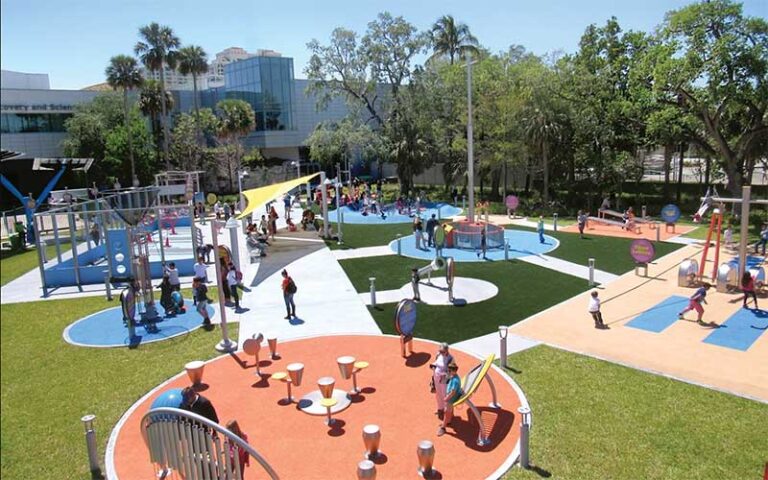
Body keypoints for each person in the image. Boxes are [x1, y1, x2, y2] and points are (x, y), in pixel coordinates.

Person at [430, 343, 454, 420]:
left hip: (444, 379)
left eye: (442, 351)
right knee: (438, 394)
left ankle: (448, 413)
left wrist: (443, 373)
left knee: (445, 396)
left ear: (447, 350)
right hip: (436, 378)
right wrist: (433, 365)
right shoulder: (438, 355)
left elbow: (451, 371)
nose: (441, 353)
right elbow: (436, 363)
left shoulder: (450, 359)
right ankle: (440, 409)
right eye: (440, 351)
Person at [437, 362, 461, 437]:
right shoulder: (455, 377)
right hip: (452, 398)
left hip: (451, 399)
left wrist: (447, 398)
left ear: (453, 371)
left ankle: (443, 427)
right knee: (449, 411)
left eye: (449, 371)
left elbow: (453, 392)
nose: (448, 372)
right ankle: (448, 421)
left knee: (446, 412)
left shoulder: (455, 380)